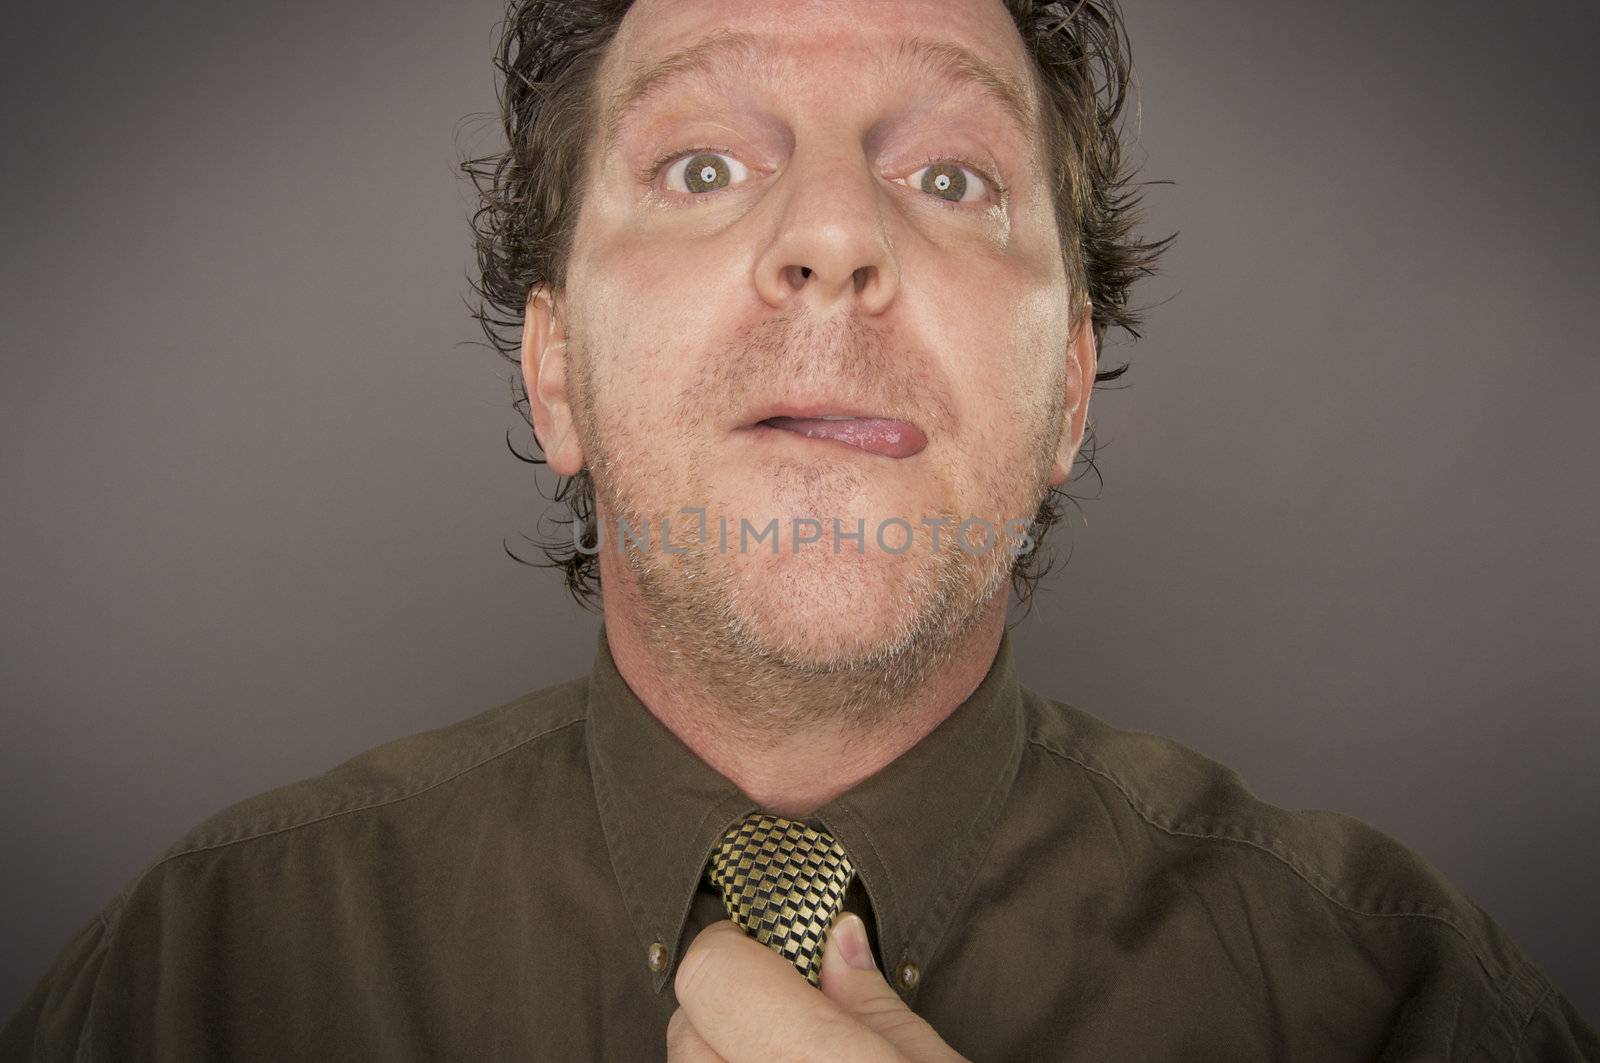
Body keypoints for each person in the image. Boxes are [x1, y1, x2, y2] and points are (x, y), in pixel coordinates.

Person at [3, 0, 1595, 1059]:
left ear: (1066, 397)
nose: (833, 237)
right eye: (702, 164)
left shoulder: (1399, 1001)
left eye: (954, 176)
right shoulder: (196, 977)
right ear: (555, 374)